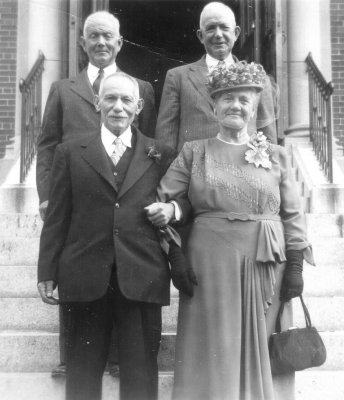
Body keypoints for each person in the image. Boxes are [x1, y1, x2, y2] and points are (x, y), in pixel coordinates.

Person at [147, 61, 314, 400]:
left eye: (244, 100)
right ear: (213, 106)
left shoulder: (277, 155)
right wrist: (175, 254)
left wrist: (295, 263)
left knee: (259, 348)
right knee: (212, 349)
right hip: (209, 262)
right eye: (227, 99)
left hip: (267, 263)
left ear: (254, 108)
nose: (235, 105)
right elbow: (165, 201)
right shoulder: (194, 152)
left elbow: (294, 215)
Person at [37, 72, 181, 400]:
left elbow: (180, 201)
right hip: (84, 274)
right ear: (97, 102)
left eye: (126, 100)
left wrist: (173, 209)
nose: (118, 107)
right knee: (82, 374)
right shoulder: (70, 152)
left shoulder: (160, 153)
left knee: (141, 375)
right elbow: (57, 217)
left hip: (142, 275)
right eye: (110, 98)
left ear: (139, 106)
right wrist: (47, 270)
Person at [36, 10, 156, 377]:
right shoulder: (63, 90)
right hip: (76, 197)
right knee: (78, 272)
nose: (101, 43)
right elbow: (47, 145)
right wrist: (47, 196)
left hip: (125, 202)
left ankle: (120, 357)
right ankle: (70, 358)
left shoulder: (141, 89)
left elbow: (146, 150)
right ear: (82, 42)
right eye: (94, 36)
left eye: (108, 36)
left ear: (120, 42)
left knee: (122, 272)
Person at [155, 1, 278, 151]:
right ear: (201, 36)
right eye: (211, 28)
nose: (218, 34)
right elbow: (165, 140)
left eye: (224, 28)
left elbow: (269, 140)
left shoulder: (259, 79)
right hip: (193, 171)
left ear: (236, 33)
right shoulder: (177, 77)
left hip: (243, 170)